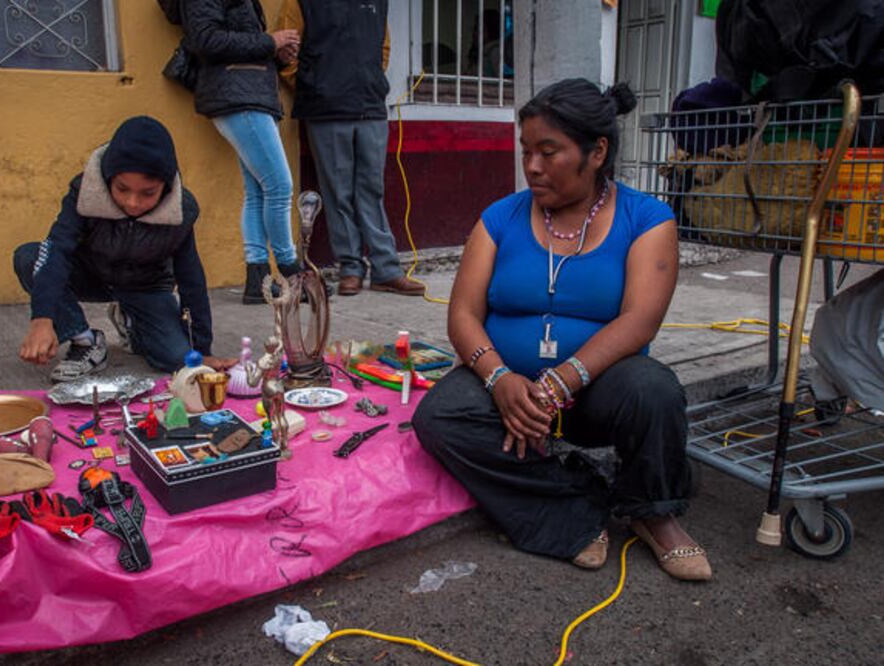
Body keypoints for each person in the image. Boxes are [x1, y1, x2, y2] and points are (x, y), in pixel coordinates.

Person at [412, 79, 712, 581]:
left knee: (654, 391)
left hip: (594, 395)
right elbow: (462, 314)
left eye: (548, 152)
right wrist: (500, 381)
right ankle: (571, 508)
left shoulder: (647, 219)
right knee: (440, 419)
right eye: (527, 151)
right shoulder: (499, 218)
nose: (531, 166)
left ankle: (653, 511)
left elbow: (641, 320)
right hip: (507, 389)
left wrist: (561, 381)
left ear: (596, 152)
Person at [14, 115, 233, 382]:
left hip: (147, 286)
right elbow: (57, 251)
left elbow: (192, 280)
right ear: (108, 179)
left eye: (148, 193)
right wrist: (43, 318)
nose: (133, 202)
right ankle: (85, 341)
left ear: (165, 188)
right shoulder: (84, 193)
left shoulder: (181, 211)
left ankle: (132, 324)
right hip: (91, 274)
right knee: (30, 257)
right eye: (122, 189)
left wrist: (200, 350)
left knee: (177, 359)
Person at [276, 0, 424, 297]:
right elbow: (285, 50)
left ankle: (387, 270)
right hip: (325, 110)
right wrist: (313, 86)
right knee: (338, 193)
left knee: (372, 190)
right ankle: (351, 268)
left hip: (369, 105)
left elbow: (382, 48)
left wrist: (368, 81)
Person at [181, 0, 308, 305]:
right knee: (279, 186)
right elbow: (205, 39)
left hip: (245, 92)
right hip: (237, 95)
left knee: (258, 192)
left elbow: (233, 42)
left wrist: (274, 54)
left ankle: (258, 280)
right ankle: (292, 274)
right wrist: (270, 41)